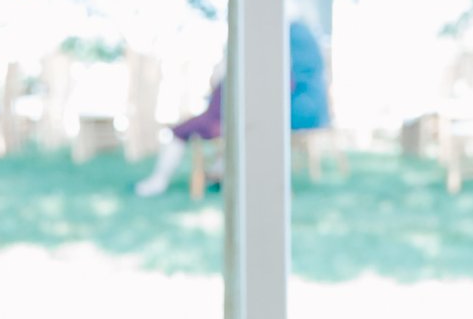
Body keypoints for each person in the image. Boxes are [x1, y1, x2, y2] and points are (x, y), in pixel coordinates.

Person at [137, 15, 330, 195]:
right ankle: (175, 177)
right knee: (196, 131)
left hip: (232, 117)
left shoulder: (271, 59)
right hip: (227, 114)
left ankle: (166, 179)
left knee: (209, 132)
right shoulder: (261, 57)